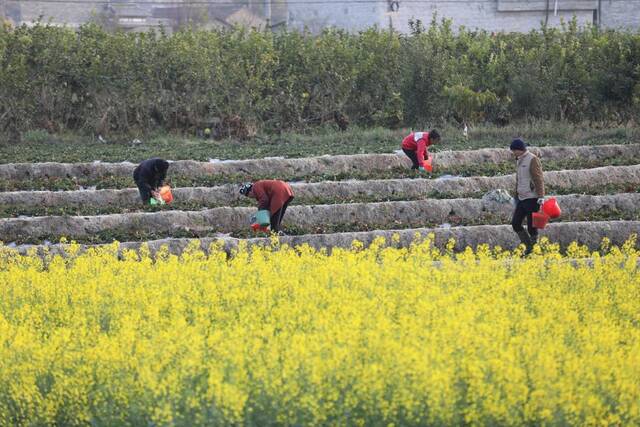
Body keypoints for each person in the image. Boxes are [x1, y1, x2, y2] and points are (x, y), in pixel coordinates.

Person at [510, 138, 545, 255]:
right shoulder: (519, 160)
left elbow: (538, 178)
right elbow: (519, 179)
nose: (513, 153)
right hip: (521, 197)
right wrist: (516, 195)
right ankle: (528, 246)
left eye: (514, 150)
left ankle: (533, 250)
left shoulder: (532, 159)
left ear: (519, 150)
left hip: (532, 197)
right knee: (515, 223)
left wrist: (541, 196)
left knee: (532, 226)